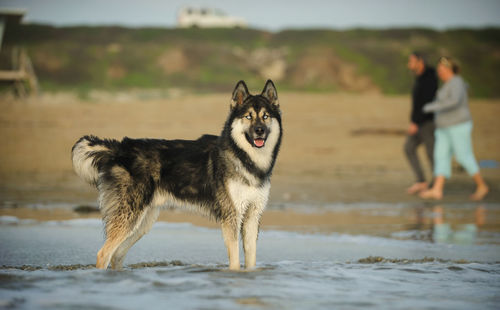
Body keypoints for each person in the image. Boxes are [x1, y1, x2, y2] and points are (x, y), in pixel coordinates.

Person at [420, 56, 489, 201]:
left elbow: (454, 101)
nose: (439, 72)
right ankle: (437, 189)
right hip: (443, 127)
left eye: (441, 69)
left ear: (449, 69)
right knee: (441, 156)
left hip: (458, 125)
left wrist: (431, 107)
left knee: (464, 156)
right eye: (438, 69)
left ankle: (482, 185)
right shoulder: (446, 84)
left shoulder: (457, 82)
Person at [404, 52, 438, 195]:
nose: (409, 64)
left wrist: (415, 122)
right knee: (408, 147)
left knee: (431, 154)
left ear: (420, 62)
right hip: (418, 122)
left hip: (428, 122)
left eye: (411, 61)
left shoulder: (429, 78)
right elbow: (418, 103)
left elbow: (426, 103)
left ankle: (436, 185)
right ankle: (421, 181)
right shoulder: (419, 77)